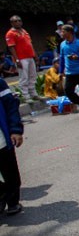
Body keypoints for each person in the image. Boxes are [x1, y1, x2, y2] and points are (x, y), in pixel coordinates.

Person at [0, 77, 24, 215]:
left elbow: (11, 107)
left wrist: (15, 130)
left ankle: (13, 202)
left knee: (10, 172)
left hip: (2, 139)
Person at [58, 24, 79, 117]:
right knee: (68, 91)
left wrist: (77, 57)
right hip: (70, 72)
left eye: (63, 31)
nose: (61, 33)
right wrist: (60, 71)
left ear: (69, 32)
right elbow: (61, 58)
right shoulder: (62, 44)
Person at [5, 15, 38, 101]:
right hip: (21, 58)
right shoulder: (10, 33)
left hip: (30, 56)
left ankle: (33, 94)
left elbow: (30, 43)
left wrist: (35, 55)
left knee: (32, 75)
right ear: (12, 23)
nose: (18, 22)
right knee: (24, 77)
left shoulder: (24, 31)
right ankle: (26, 96)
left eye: (19, 20)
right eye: (15, 21)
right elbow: (11, 47)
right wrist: (17, 60)